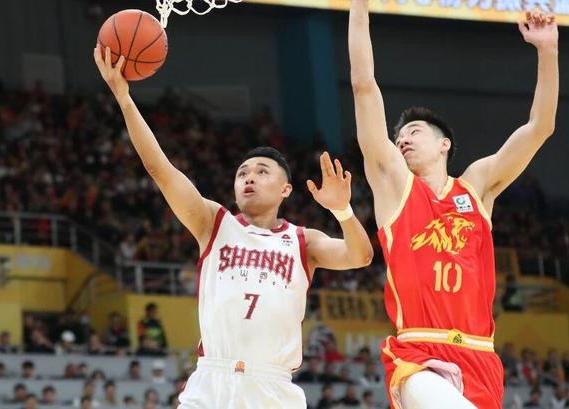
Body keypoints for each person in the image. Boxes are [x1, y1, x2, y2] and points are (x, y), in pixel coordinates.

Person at [93, 45, 373, 409]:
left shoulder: (303, 241)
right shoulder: (213, 222)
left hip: (273, 388)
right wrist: (124, 98)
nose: (249, 178)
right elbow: (159, 169)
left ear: (286, 189)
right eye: (242, 173)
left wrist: (343, 211)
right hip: (213, 380)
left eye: (261, 172)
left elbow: (361, 256)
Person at [348, 1, 559, 407]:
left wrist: (547, 52)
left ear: (444, 144)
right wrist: (359, 7)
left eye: (414, 131)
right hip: (418, 353)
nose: (403, 139)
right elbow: (363, 86)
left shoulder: (477, 187)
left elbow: (539, 128)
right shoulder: (394, 186)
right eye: (399, 137)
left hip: (480, 355)